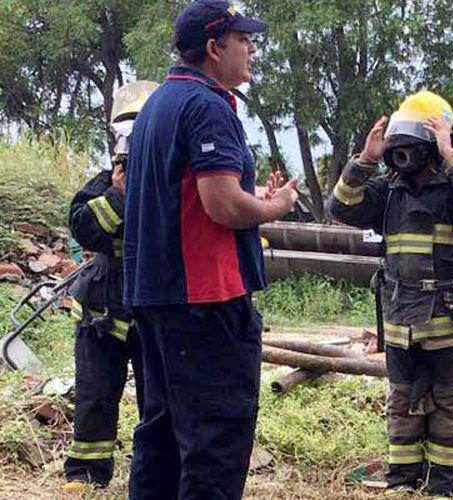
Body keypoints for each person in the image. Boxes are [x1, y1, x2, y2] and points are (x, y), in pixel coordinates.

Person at [123, 2, 297, 498]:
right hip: (206, 301)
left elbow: (192, 199)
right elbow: (221, 206)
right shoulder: (207, 106)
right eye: (244, 39)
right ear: (214, 48)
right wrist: (276, 205)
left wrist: (249, 200)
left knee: (160, 434)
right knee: (215, 440)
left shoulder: (159, 103)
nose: (252, 48)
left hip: (157, 297)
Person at [327, 90, 453, 497]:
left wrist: (448, 151)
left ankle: (440, 488)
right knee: (402, 407)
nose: (405, 155)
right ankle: (402, 486)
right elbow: (341, 206)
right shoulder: (389, 191)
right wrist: (365, 160)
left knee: (448, 409)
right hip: (402, 323)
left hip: (448, 326)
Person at [61, 80, 158, 493]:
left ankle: (152, 473)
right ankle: (86, 473)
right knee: (95, 396)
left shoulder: (169, 189)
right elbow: (86, 231)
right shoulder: (102, 185)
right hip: (101, 311)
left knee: (156, 401)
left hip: (152, 311)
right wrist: (118, 195)